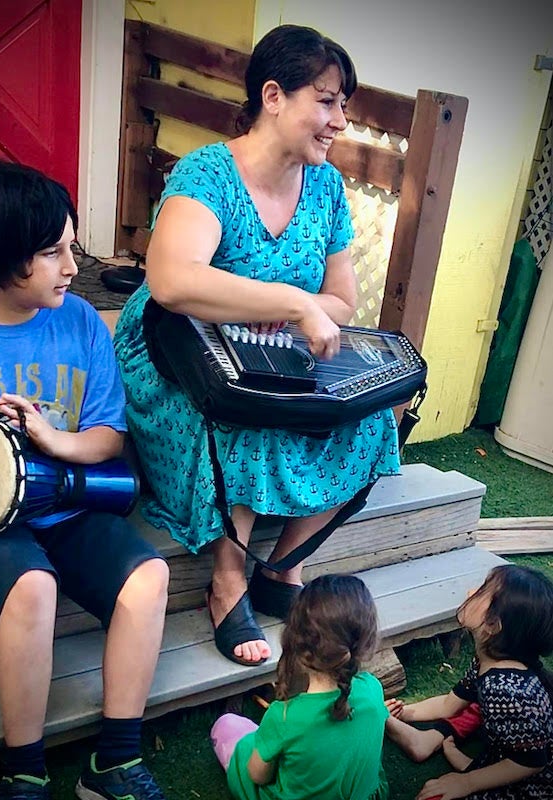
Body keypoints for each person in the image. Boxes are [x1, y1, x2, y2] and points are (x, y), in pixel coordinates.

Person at [114, 23, 400, 667]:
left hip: (268, 353)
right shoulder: (209, 174)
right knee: (246, 418)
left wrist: (292, 313)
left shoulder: (325, 187)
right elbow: (172, 281)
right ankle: (227, 581)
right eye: (325, 101)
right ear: (273, 96)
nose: (338, 121)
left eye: (342, 106)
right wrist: (292, 304)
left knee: (370, 417)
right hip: (178, 357)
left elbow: (342, 301)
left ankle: (283, 567)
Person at [0, 160, 170, 800]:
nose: (73, 267)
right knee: (30, 587)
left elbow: (109, 434)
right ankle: (24, 770)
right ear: (0, 258)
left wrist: (56, 440)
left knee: (150, 574)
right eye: (53, 253)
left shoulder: (80, 321)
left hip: (66, 502)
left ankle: (116, 762)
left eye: (71, 247)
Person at [209, 573, 390, 800]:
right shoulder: (373, 689)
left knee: (230, 728)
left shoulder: (285, 716)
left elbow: (258, 776)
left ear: (295, 641)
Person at [385, 565, 553, 800]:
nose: (471, 590)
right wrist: (401, 712)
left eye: (482, 590)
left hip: (530, 785)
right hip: (504, 756)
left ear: (493, 625)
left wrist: (467, 781)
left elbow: (532, 763)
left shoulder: (505, 690)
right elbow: (448, 704)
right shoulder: (490, 660)